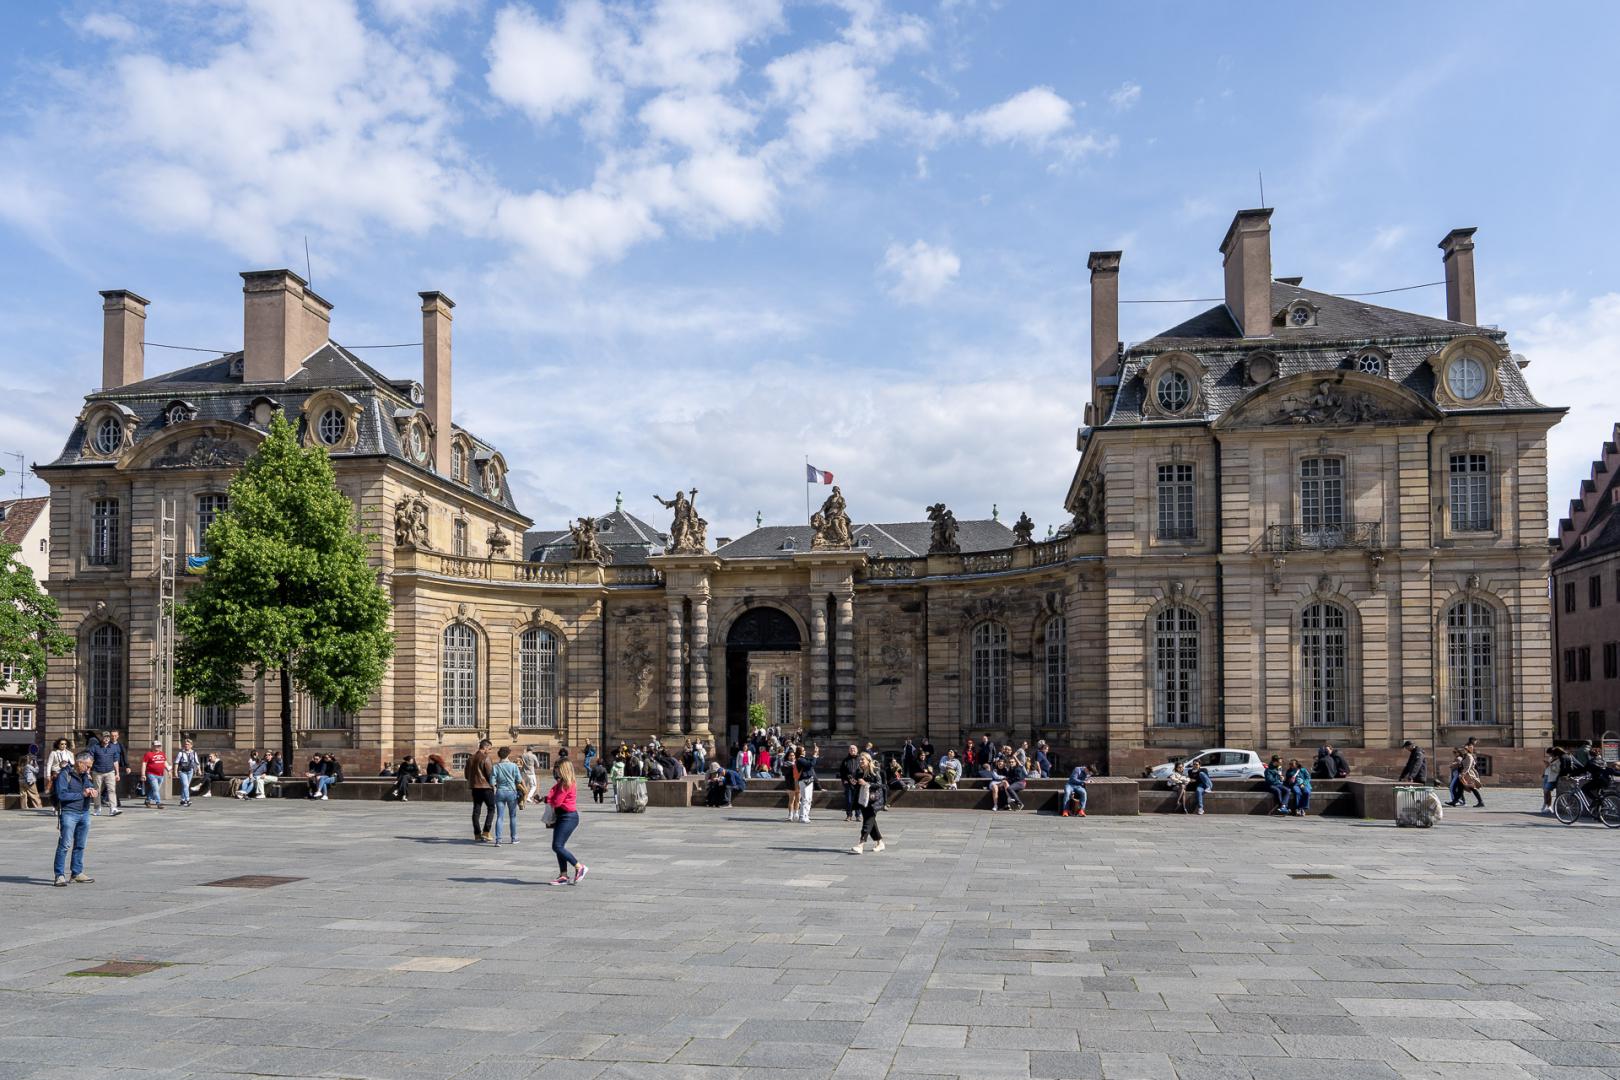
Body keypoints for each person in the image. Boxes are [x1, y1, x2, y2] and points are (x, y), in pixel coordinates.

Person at [53, 751, 97, 886]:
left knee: (80, 845)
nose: (89, 769)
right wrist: (82, 794)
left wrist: (92, 790)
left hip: (84, 812)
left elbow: (88, 787)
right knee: (64, 845)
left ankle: (76, 873)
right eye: (87, 766)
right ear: (79, 763)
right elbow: (61, 795)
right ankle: (59, 875)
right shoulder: (64, 774)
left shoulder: (85, 775)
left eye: (90, 767)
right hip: (69, 813)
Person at [544, 761, 586, 885]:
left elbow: (557, 802)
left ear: (564, 770)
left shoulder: (566, 784)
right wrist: (545, 799)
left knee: (557, 846)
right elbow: (554, 799)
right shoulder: (562, 783)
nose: (555, 772)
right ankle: (563, 876)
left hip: (568, 817)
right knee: (559, 846)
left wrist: (549, 799)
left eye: (557, 769)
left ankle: (579, 867)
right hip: (562, 816)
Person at [851, 753, 886, 854]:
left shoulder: (875, 771)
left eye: (862, 760)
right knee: (871, 822)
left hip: (874, 801)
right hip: (863, 800)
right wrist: (854, 783)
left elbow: (880, 785)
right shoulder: (859, 772)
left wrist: (867, 784)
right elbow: (858, 786)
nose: (860, 761)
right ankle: (880, 843)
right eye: (860, 760)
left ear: (868, 760)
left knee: (867, 822)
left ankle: (860, 844)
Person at [491, 746, 524, 847]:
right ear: (508, 754)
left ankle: (498, 840)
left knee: (499, 817)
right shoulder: (513, 766)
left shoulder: (496, 767)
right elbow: (519, 780)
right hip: (511, 792)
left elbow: (492, 782)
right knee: (512, 816)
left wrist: (496, 786)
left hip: (500, 792)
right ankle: (514, 838)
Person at [88, 732, 121, 817]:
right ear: (101, 737)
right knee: (97, 791)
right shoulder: (95, 747)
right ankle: (97, 808)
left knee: (112, 790)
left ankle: (113, 809)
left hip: (110, 772)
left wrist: (117, 773)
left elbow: (115, 761)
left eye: (108, 737)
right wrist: (88, 772)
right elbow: (90, 760)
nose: (106, 739)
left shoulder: (113, 747)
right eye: (105, 737)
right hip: (97, 772)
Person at [468, 739, 495, 842]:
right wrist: (494, 785)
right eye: (489, 749)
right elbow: (490, 774)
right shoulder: (486, 758)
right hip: (486, 787)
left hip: (475, 787)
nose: (490, 751)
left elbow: (467, 774)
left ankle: (477, 834)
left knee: (476, 809)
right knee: (491, 808)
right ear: (485, 747)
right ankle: (486, 832)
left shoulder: (470, 758)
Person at [140, 740, 168, 808]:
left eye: (159, 746)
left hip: (160, 775)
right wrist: (143, 774)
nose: (158, 747)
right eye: (156, 746)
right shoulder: (148, 754)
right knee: (155, 789)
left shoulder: (162, 754)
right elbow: (144, 764)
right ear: (152, 746)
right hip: (151, 774)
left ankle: (148, 800)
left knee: (155, 789)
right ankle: (158, 803)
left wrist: (169, 770)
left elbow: (165, 763)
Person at [173, 740, 200, 808]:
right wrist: (175, 771)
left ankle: (182, 800)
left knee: (185, 786)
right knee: (186, 785)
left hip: (190, 770)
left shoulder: (194, 753)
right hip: (182, 771)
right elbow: (176, 762)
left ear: (191, 745)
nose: (186, 745)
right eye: (185, 744)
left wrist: (199, 770)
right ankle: (187, 800)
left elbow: (197, 762)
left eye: (188, 744)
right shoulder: (181, 753)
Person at [838, 743, 861, 821]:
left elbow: (863, 770)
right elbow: (842, 772)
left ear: (857, 750)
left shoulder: (860, 759)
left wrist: (860, 779)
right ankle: (849, 815)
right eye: (851, 749)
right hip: (848, 782)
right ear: (849, 751)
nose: (852, 750)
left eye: (854, 749)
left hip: (858, 782)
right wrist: (845, 780)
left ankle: (858, 815)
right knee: (849, 800)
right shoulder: (845, 760)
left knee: (858, 799)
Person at [793, 748, 817, 823]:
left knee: (809, 799)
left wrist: (815, 754)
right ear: (799, 752)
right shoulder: (800, 759)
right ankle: (802, 816)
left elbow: (812, 762)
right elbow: (810, 764)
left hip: (809, 779)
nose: (805, 751)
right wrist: (814, 755)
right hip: (804, 780)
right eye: (803, 750)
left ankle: (806, 814)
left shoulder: (804, 759)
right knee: (805, 798)